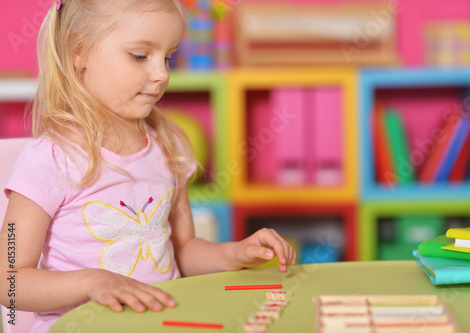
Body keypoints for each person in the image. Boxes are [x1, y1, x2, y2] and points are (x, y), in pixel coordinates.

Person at [0, 1, 296, 332]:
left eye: (168, 57)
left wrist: (234, 253)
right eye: (140, 56)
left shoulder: (170, 146)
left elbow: (182, 251)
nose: (161, 74)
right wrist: (92, 283)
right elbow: (9, 283)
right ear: (78, 53)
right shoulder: (51, 158)